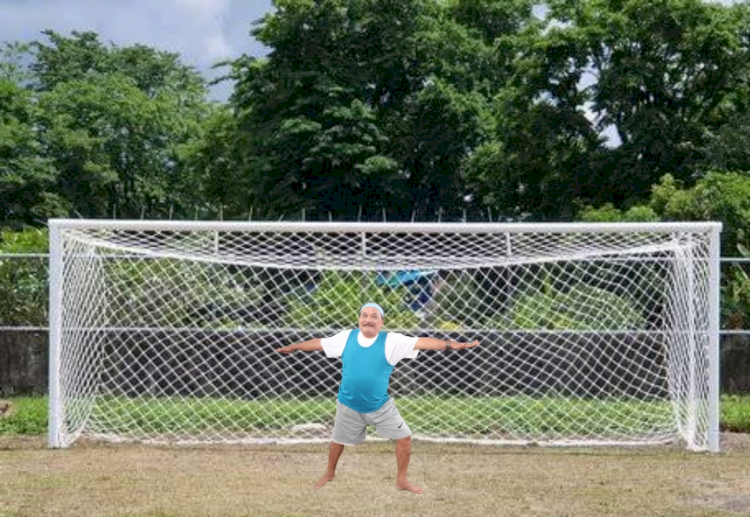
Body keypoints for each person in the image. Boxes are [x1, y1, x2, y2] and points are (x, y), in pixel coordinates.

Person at [275, 302, 479, 494]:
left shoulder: (392, 340)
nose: (368, 319)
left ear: (382, 322)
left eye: (374, 316)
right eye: (364, 315)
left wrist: (450, 344)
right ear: (359, 320)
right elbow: (319, 343)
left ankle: (402, 480)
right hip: (348, 404)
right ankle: (330, 472)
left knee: (404, 437)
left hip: (380, 407)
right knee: (338, 441)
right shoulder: (346, 338)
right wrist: (295, 346)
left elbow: (423, 342)